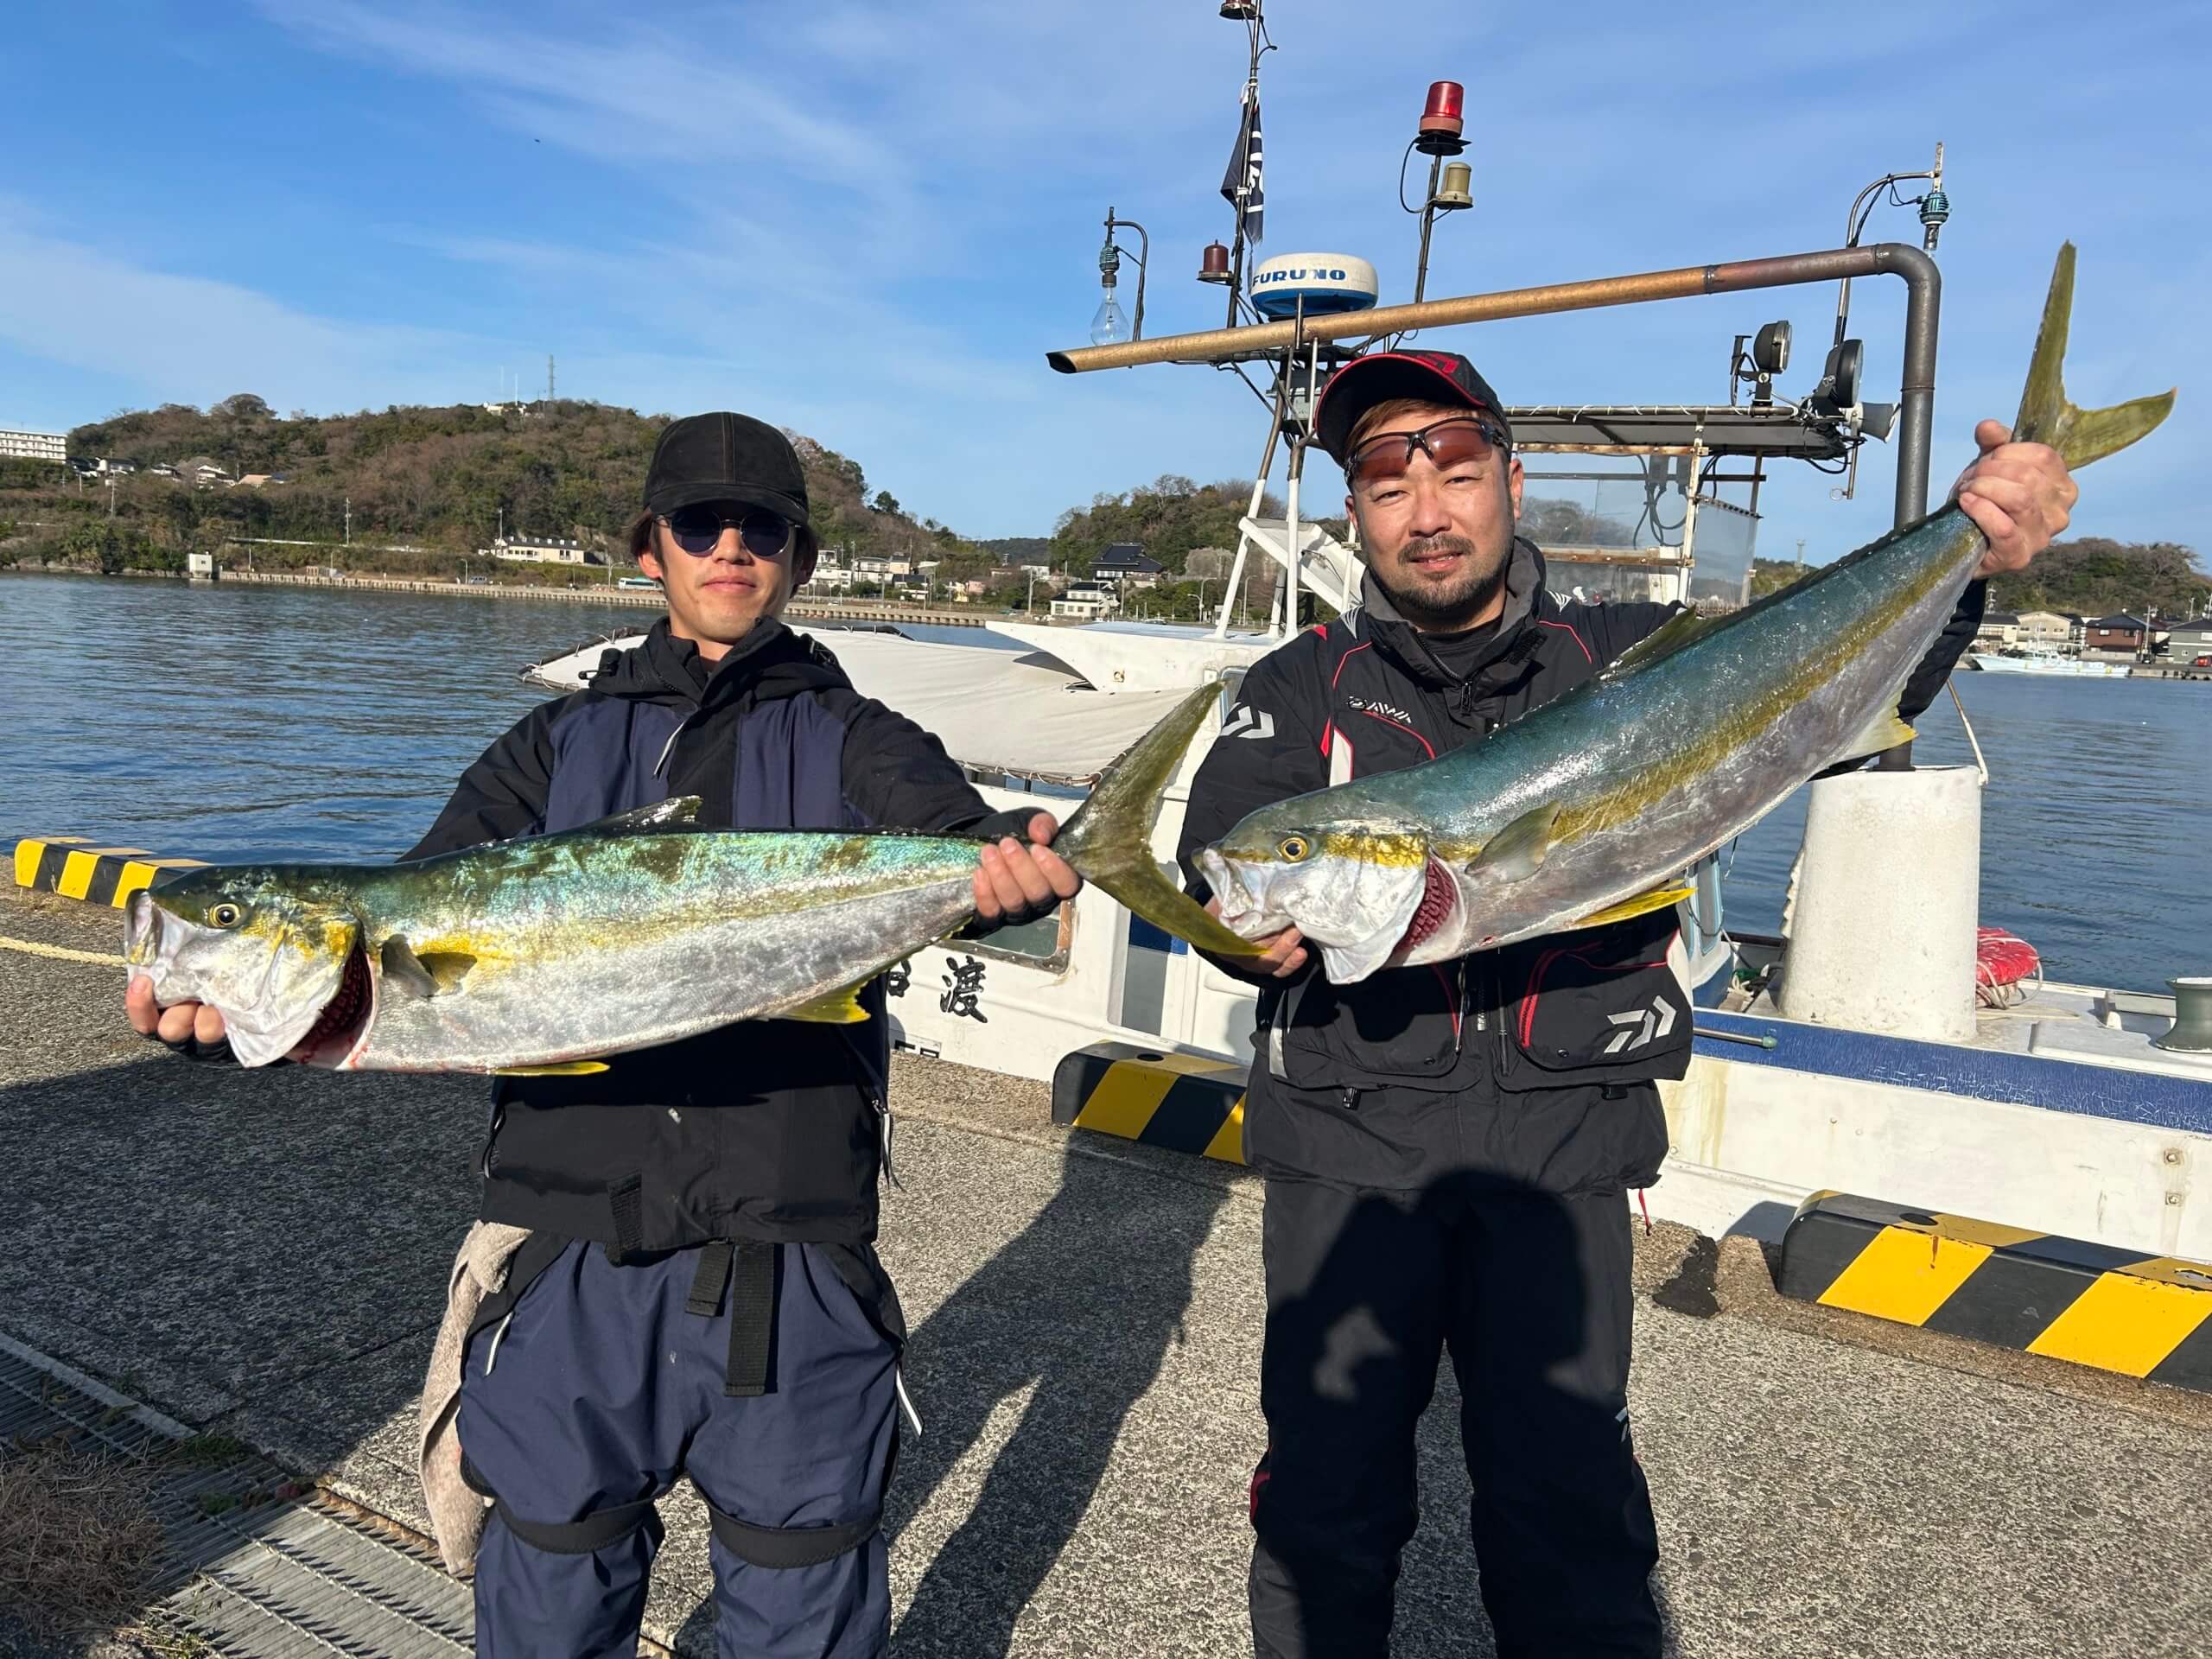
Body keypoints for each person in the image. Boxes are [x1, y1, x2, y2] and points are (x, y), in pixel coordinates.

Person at [126, 410, 1079, 1658]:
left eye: (764, 530)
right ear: (652, 551)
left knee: (804, 1604)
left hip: (790, 1253)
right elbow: (414, 909)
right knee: (548, 1603)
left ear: (797, 559)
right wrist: (238, 1010)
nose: (730, 548)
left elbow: (953, 842)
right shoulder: (551, 744)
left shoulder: (861, 739)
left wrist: (1011, 868)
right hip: (567, 1249)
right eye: (701, 525)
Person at [1175, 349, 2077, 1659]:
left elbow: (1848, 689)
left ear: (1511, 480)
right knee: (1323, 1510)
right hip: (1348, 1159)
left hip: (1563, 1155)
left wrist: (1969, 558)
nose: (1426, 513)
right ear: (1354, 516)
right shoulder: (1296, 687)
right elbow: (1231, 855)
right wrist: (1240, 935)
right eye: (1384, 483)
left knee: (1570, 1516)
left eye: (1457, 472)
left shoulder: (1628, 654)